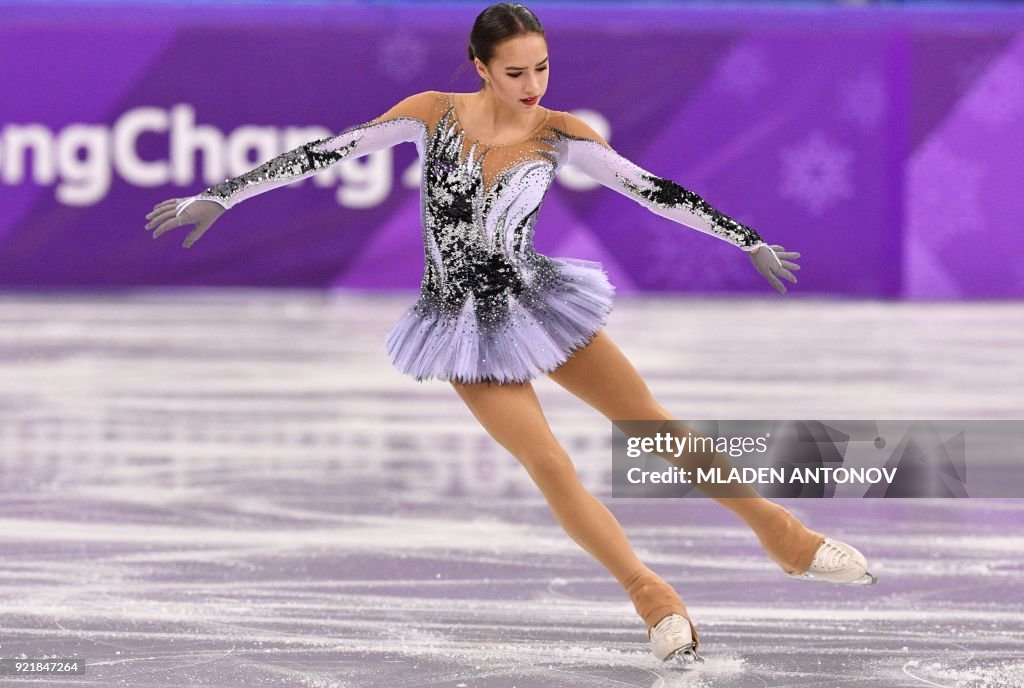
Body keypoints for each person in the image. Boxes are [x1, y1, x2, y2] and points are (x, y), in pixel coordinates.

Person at [144, 2, 876, 667]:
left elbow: (654, 191)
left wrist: (742, 238)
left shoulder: (558, 133)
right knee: (549, 462)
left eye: (543, 67)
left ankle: (783, 535)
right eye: (517, 72)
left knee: (652, 425)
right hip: (464, 326)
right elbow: (327, 154)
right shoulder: (431, 115)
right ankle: (650, 595)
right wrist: (222, 194)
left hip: (539, 299)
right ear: (481, 68)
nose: (533, 84)